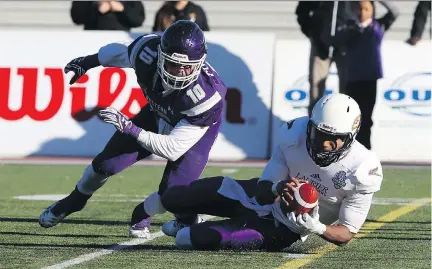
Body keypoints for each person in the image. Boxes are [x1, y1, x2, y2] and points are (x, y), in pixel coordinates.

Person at [39, 20, 227, 240]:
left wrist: (130, 128)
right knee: (104, 164)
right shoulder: (146, 52)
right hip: (158, 112)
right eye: (174, 64)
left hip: (194, 130)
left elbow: (172, 148)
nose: (181, 72)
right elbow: (116, 53)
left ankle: (150, 212)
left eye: (188, 66)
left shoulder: (207, 97)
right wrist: (87, 62)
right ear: (161, 55)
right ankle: (75, 200)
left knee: (173, 195)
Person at [161, 93, 384, 251]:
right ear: (309, 127)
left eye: (334, 139)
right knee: (173, 198)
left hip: (286, 227)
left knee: (186, 239)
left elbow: (346, 233)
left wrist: (317, 227)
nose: (325, 144)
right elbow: (262, 190)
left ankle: (203, 224)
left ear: (350, 137)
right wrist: (278, 187)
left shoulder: (362, 168)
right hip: (263, 198)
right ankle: (191, 217)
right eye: (320, 134)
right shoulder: (293, 136)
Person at [332, 0, 398, 150]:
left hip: (370, 79)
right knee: (352, 119)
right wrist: (352, 28)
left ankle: (365, 150)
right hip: (352, 80)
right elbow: (336, 39)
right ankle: (349, 150)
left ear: (373, 10)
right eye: (359, 9)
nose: (362, 13)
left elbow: (394, 12)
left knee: (366, 119)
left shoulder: (378, 26)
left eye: (366, 9)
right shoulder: (348, 27)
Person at [295, 1, 356, 116]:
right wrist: (312, 33)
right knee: (316, 92)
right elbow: (302, 10)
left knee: (348, 93)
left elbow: (366, 10)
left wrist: (355, 36)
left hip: (346, 48)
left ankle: (346, 129)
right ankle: (314, 130)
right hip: (320, 46)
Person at [70, 1, 145, 31]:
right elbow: (76, 18)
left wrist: (123, 9)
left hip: (121, 42)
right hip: (92, 41)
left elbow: (138, 20)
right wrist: (96, 9)